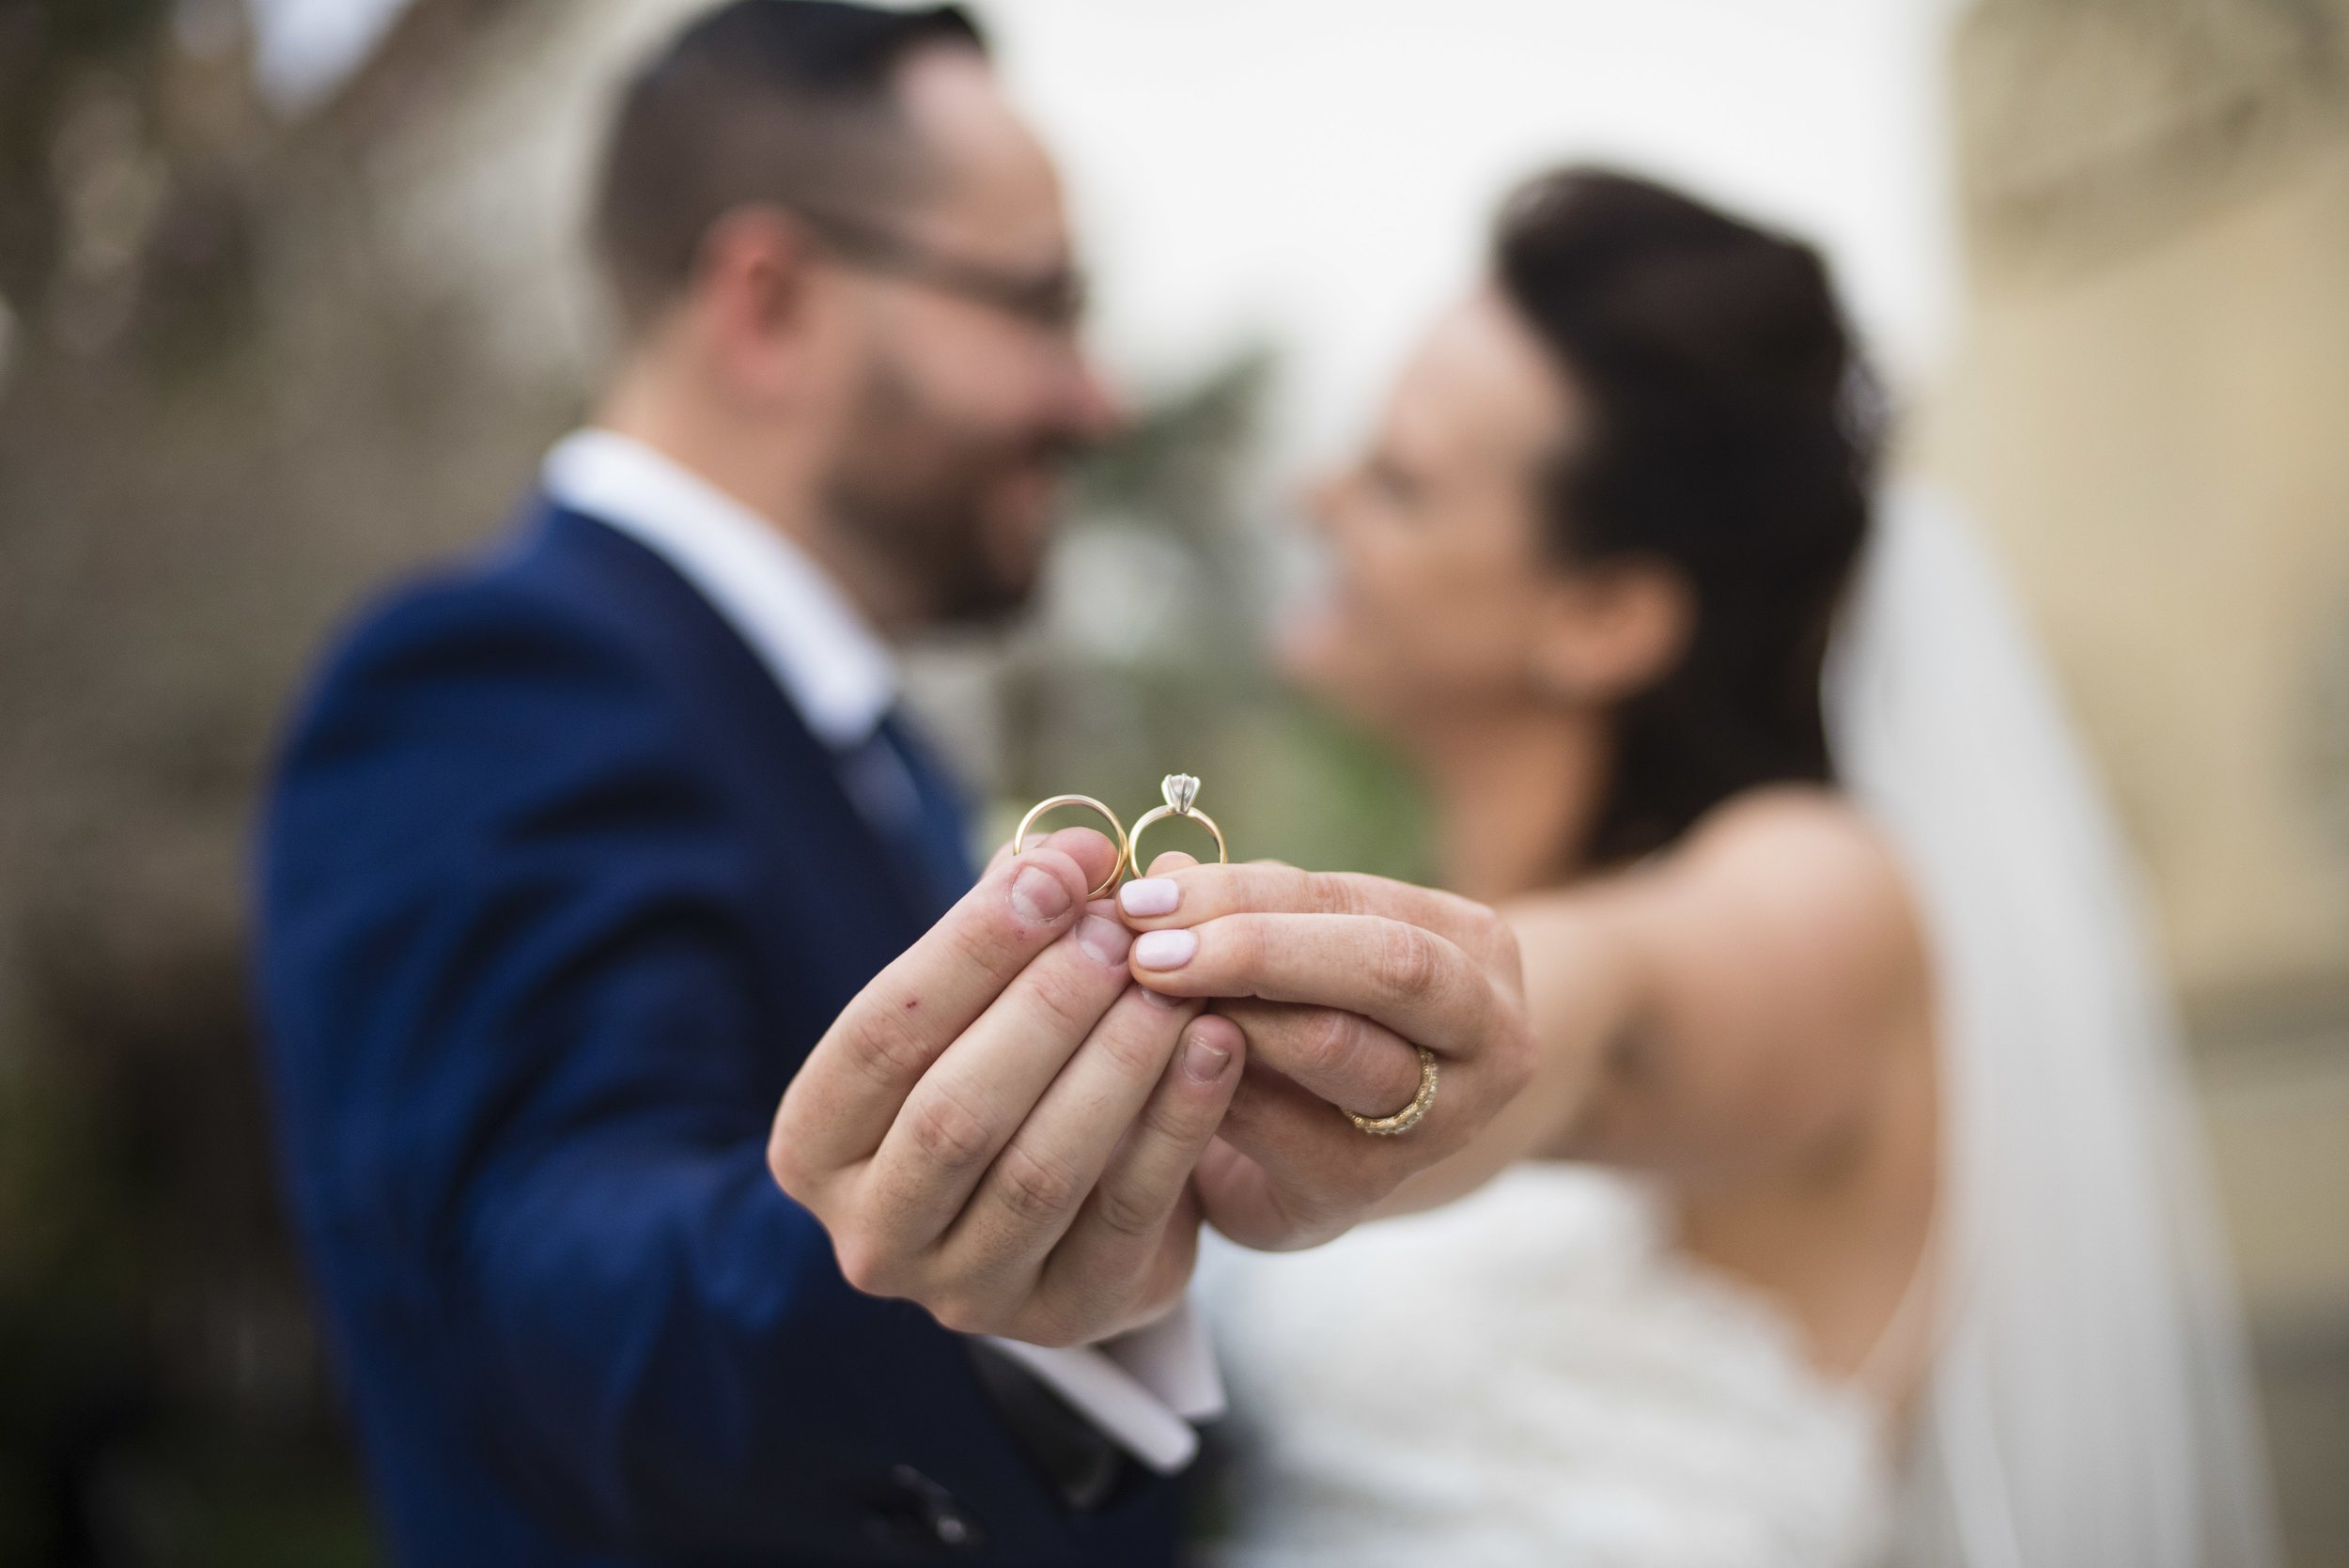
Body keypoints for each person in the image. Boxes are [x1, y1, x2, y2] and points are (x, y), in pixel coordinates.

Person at [252, 6, 1530, 1563]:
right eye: (1040, 303)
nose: (1097, 399)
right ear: (772, 304)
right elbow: (558, 1278)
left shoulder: (864, 747)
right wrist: (933, 1247)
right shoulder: (486, 676)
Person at [1109, 170, 2279, 1566]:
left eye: (1397, 482)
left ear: (1602, 615)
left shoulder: (1816, 888)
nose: (1313, 497)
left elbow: (1599, 1013)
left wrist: (1382, 1023)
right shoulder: (1440, 870)